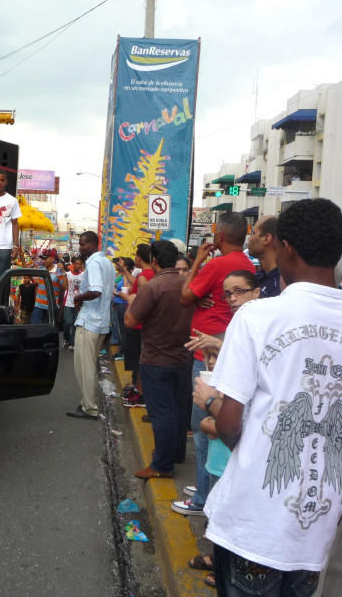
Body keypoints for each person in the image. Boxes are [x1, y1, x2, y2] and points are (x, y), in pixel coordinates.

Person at [204, 198, 342, 594]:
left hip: (251, 525)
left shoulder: (256, 317)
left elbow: (230, 423)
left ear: (286, 247)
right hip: (314, 530)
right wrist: (340, 506)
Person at [187, 269, 262, 589]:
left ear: (257, 292)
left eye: (240, 291)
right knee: (220, 504)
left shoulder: (259, 321)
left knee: (234, 507)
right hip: (223, 428)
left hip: (234, 429)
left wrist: (210, 408)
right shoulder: (240, 323)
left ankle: (226, 567)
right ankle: (219, 558)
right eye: (227, 294)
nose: (232, 299)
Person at [178, 211, 256, 516]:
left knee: (204, 426)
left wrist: (198, 260)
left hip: (207, 349)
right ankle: (206, 487)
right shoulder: (247, 265)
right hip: (229, 347)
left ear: (219, 235)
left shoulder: (217, 264)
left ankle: (202, 497)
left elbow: (185, 295)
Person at [125, 240, 194, 478]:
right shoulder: (189, 283)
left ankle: (162, 466)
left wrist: (130, 303)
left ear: (154, 260)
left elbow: (130, 322)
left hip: (157, 359)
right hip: (184, 357)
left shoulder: (154, 286)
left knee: (161, 413)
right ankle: (175, 454)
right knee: (177, 409)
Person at [66, 231, 115, 420]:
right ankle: (89, 402)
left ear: (93, 245)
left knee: (84, 366)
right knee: (89, 365)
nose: (80, 247)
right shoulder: (107, 263)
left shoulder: (94, 262)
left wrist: (78, 298)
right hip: (101, 322)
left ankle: (89, 407)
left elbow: (96, 290)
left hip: (90, 321)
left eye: (83, 244)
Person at [122, 244, 155, 408]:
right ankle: (137, 389)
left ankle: (140, 393)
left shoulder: (145, 276)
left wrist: (127, 298)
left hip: (138, 324)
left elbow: (141, 301)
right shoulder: (148, 274)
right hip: (142, 324)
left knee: (139, 361)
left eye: (136, 255)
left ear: (140, 257)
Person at [247, 215, 281, 298]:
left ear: (267, 238)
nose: (249, 238)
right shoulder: (257, 277)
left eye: (253, 233)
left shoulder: (281, 283)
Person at [31, 253, 66, 325]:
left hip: (51, 307)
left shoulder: (58, 271)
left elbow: (64, 288)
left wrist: (63, 272)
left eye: (45, 259)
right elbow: (28, 275)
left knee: (49, 331)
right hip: (38, 305)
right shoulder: (40, 270)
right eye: (42, 259)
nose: (43, 261)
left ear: (52, 259)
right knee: (34, 328)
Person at [62, 256, 84, 349]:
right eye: (76, 263)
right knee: (68, 322)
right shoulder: (67, 274)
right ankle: (66, 338)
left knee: (75, 324)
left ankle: (72, 342)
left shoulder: (83, 275)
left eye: (80, 264)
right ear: (73, 264)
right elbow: (64, 287)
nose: (78, 266)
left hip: (78, 304)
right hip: (68, 302)